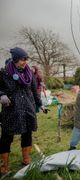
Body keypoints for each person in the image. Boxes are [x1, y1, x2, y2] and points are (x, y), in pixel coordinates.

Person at [0, 47, 46, 176]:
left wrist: (40, 105)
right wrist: (1, 95)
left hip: (27, 107)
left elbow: (33, 91)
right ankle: (4, 166)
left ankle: (26, 159)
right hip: (11, 109)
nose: (25, 62)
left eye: (26, 59)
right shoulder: (4, 73)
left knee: (27, 134)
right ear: (15, 59)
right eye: (22, 59)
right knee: (6, 137)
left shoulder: (29, 73)